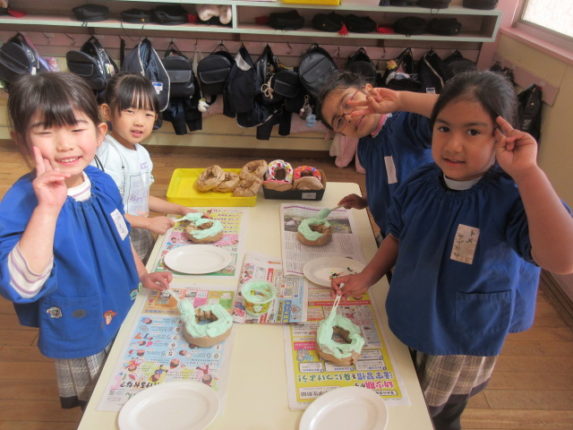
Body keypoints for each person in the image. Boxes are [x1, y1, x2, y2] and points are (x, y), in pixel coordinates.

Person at [330, 70, 573, 430]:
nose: (453, 145)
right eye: (444, 128)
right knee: (408, 393)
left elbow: (562, 259)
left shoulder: (512, 195)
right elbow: (397, 235)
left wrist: (528, 173)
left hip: (461, 338)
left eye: (472, 132)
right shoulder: (421, 180)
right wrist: (367, 277)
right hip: (414, 311)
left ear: (503, 135)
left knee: (436, 414)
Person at [0, 72, 172, 409]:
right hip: (79, 325)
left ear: (99, 133)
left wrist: (142, 273)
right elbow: (21, 286)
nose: (65, 144)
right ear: (20, 140)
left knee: (127, 382)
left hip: (122, 303)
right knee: (97, 403)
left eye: (77, 129)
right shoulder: (22, 204)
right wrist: (48, 209)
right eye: (46, 131)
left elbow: (120, 235)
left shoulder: (102, 182)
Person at [318, 71, 437, 238]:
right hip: (389, 233)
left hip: (425, 233)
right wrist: (365, 200)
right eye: (339, 121)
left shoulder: (408, 122)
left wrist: (402, 100)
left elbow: (451, 108)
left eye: (348, 103)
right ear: (341, 133)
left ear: (368, 90)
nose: (348, 117)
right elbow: (384, 183)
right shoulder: (365, 146)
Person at [94, 72, 195, 261]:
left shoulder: (141, 153)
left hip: (140, 241)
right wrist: (148, 223)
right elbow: (104, 212)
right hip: (116, 250)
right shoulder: (108, 156)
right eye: (130, 111)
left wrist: (179, 209)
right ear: (107, 112)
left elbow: (140, 197)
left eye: (148, 114)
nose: (139, 122)